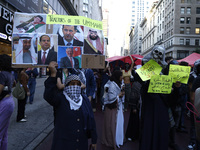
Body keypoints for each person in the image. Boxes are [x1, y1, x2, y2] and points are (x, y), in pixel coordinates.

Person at [44, 61, 97, 150]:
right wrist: (53, 74)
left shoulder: (84, 100)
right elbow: (48, 95)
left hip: (81, 144)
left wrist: (94, 140)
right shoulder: (60, 99)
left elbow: (91, 120)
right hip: (63, 144)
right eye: (72, 84)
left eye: (77, 84)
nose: (75, 87)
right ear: (67, 86)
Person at [139, 45, 169, 150]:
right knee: (148, 128)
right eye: (156, 52)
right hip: (149, 103)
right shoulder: (147, 64)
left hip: (161, 103)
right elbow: (141, 81)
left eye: (160, 54)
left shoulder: (166, 68)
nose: (157, 56)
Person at [101, 70, 124, 150]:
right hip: (111, 108)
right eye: (121, 76)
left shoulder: (117, 83)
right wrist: (119, 95)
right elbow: (111, 98)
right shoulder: (112, 85)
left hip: (117, 107)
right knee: (111, 125)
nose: (122, 77)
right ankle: (111, 141)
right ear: (118, 76)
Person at [0, 54, 15, 150]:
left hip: (4, 102)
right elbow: (13, 84)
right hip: (9, 101)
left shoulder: (2, 74)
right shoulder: (10, 74)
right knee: (4, 132)